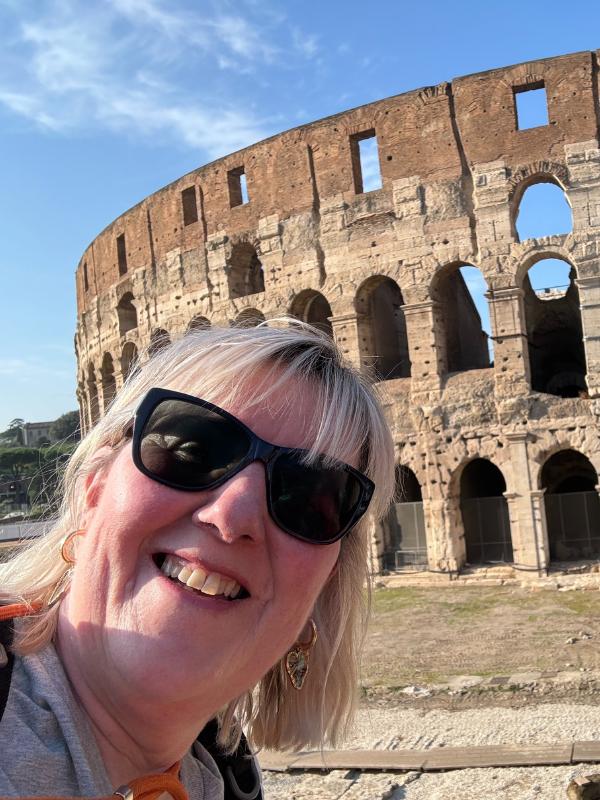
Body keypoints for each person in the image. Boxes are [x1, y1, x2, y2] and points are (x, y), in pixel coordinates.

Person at [0, 321, 395, 799]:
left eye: (308, 496)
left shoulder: (226, 778)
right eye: (191, 450)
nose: (232, 516)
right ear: (94, 489)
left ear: (323, 586)